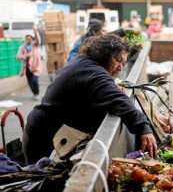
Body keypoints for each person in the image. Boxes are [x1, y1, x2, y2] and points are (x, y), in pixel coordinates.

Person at [23, 34, 158, 164]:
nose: (120, 67)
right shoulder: (92, 72)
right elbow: (116, 99)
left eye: (123, 63)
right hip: (39, 138)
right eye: (117, 60)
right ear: (104, 55)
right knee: (40, 178)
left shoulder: (85, 62)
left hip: (47, 131)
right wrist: (143, 128)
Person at [17, 27, 43, 100]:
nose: (28, 41)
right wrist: (26, 55)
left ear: (32, 40)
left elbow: (38, 40)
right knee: (30, 82)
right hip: (27, 68)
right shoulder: (22, 47)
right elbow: (18, 57)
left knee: (34, 80)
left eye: (29, 39)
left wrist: (35, 31)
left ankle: (37, 93)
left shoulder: (35, 45)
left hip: (36, 67)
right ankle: (34, 93)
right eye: (27, 39)